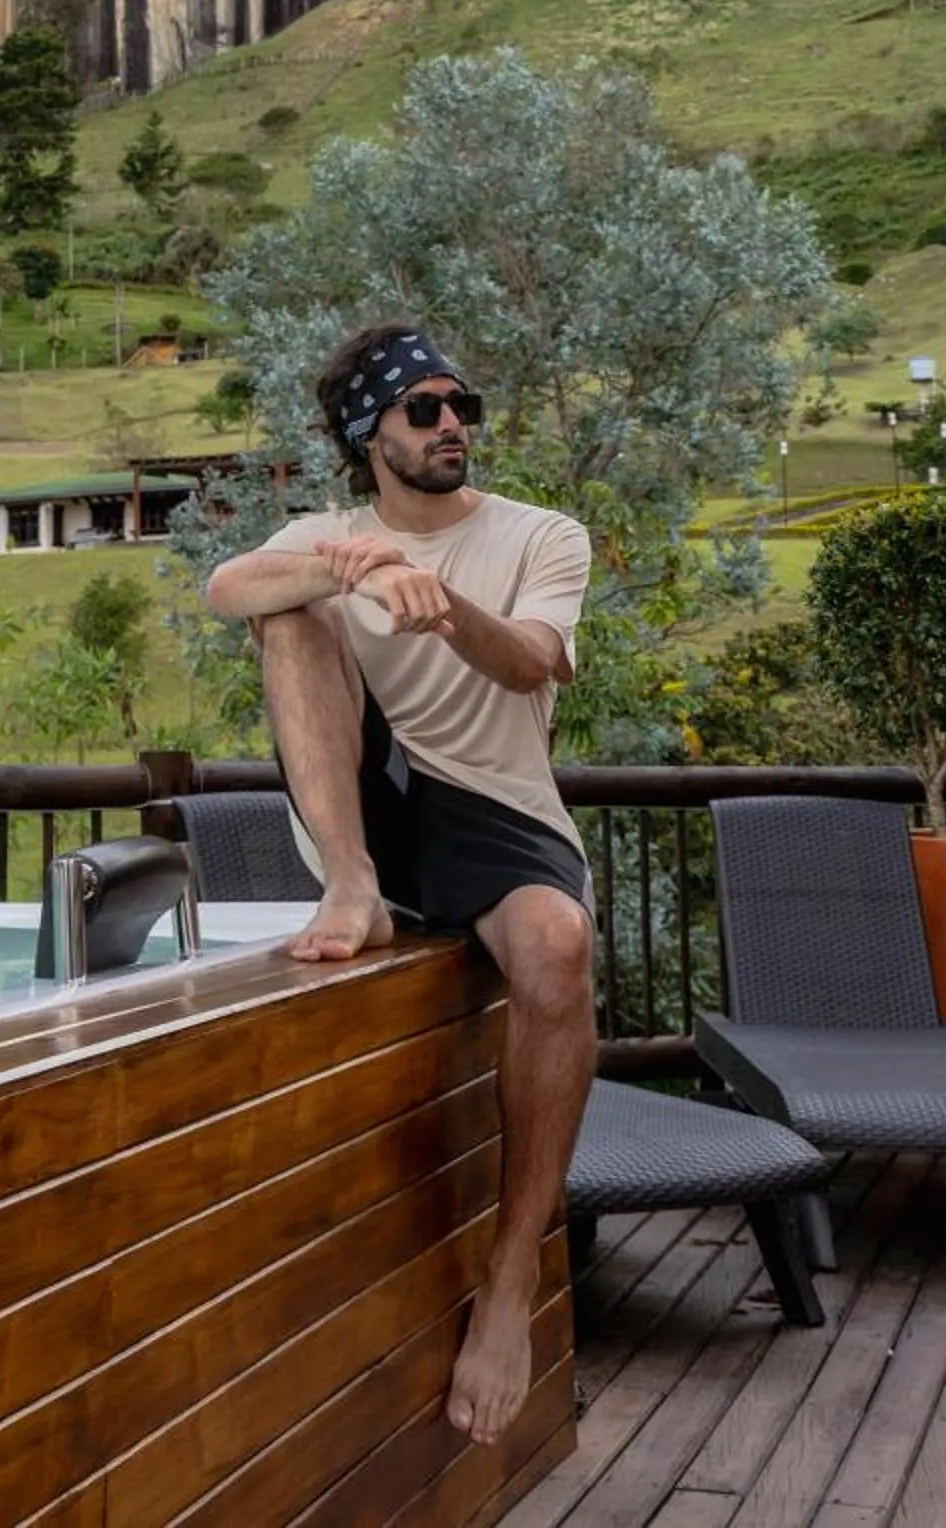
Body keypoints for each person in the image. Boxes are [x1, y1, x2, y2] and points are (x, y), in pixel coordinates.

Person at [204, 318, 595, 1452]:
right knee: (289, 611)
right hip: (371, 808)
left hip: (501, 814)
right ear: (366, 432)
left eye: (460, 407)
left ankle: (511, 1277)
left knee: (557, 947)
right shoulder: (329, 529)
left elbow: (529, 661)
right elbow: (223, 587)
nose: (450, 427)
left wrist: (435, 596)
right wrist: (355, 565)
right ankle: (353, 885)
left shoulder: (539, 535)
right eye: (422, 410)